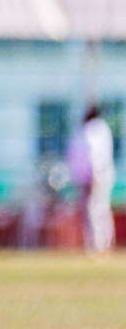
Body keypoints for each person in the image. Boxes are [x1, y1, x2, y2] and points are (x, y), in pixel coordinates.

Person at [74, 105, 116, 255]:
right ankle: (104, 243)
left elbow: (93, 153)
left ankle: (96, 244)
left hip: (93, 175)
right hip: (102, 174)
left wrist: (93, 173)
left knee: (93, 210)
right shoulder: (103, 130)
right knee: (102, 208)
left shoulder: (92, 130)